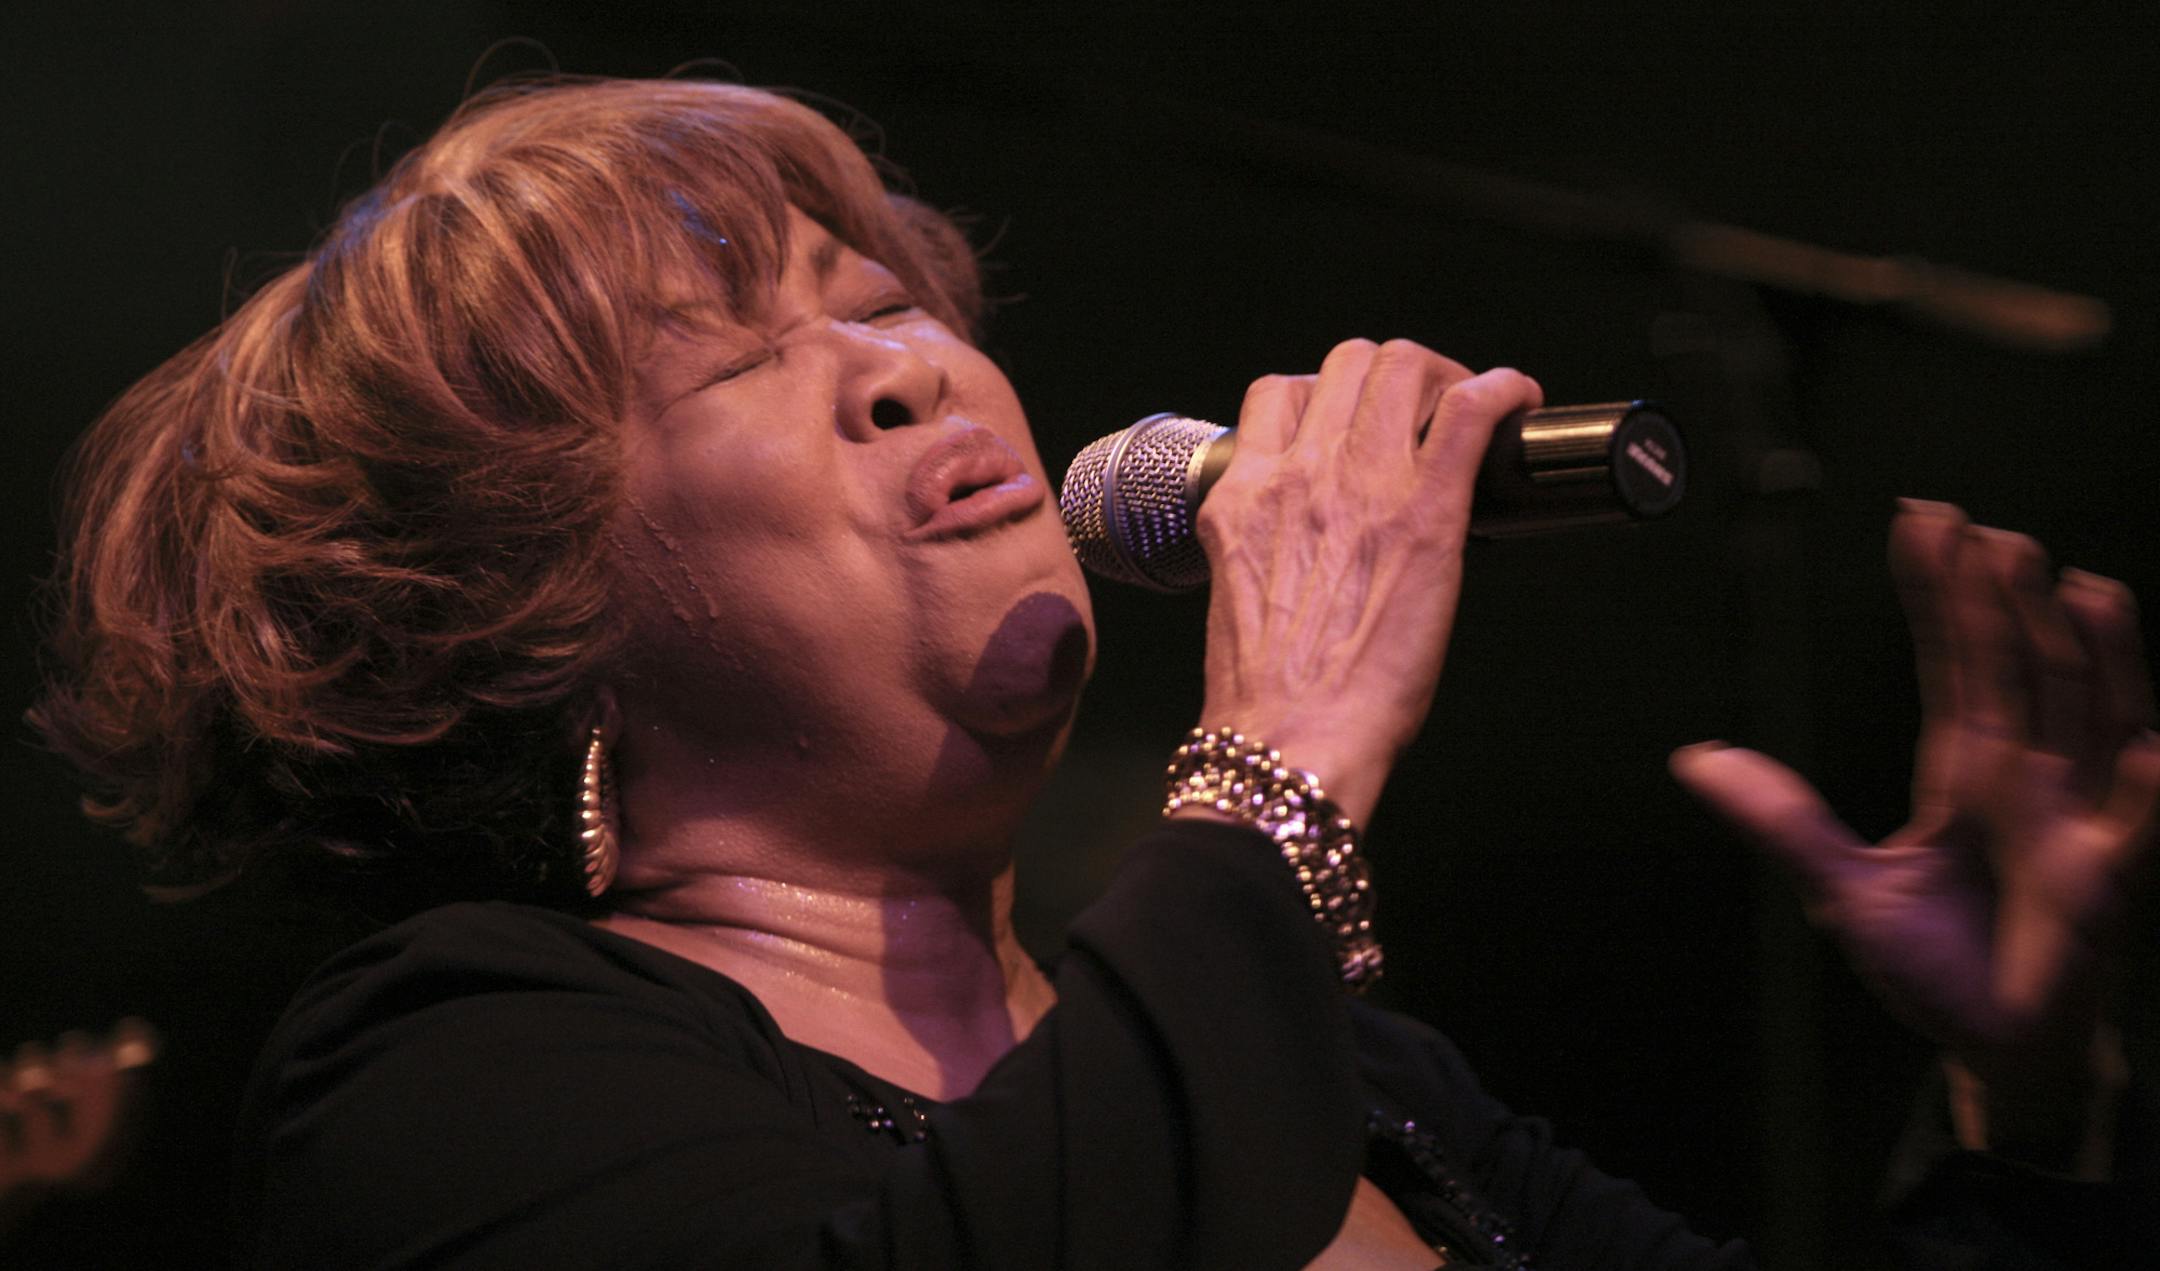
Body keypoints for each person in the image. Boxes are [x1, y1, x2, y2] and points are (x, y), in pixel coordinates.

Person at [27, 75, 2155, 1269]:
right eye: (741, 356)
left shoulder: (1357, 1082)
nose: (897, 366)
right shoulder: (446, 1074)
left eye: (880, 295)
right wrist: (1294, 742)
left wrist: (2022, 1110)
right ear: (534, 605)